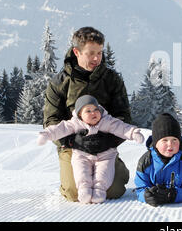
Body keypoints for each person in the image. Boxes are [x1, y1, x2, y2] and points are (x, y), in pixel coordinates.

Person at [43, 26, 132, 202]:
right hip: (72, 146)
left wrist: (109, 140)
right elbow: (50, 121)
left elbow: (124, 116)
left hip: (105, 147)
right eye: (91, 53)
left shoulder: (112, 80)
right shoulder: (59, 83)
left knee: (113, 191)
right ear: (76, 52)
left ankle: (118, 169)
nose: (96, 58)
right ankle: (68, 176)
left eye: (99, 53)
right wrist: (71, 140)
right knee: (74, 193)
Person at [38, 95, 144, 203]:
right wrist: (47, 134)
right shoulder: (75, 123)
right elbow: (60, 128)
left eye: (95, 109)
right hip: (82, 155)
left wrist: (133, 133)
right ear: (80, 114)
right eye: (88, 111)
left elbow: (121, 127)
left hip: (105, 154)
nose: (93, 113)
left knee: (104, 172)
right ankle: (84, 189)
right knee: (80, 170)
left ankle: (99, 190)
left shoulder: (106, 121)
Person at [135, 113, 182, 207]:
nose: (170, 144)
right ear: (155, 143)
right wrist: (146, 196)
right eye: (164, 140)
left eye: (174, 140)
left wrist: (172, 195)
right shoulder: (145, 162)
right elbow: (140, 188)